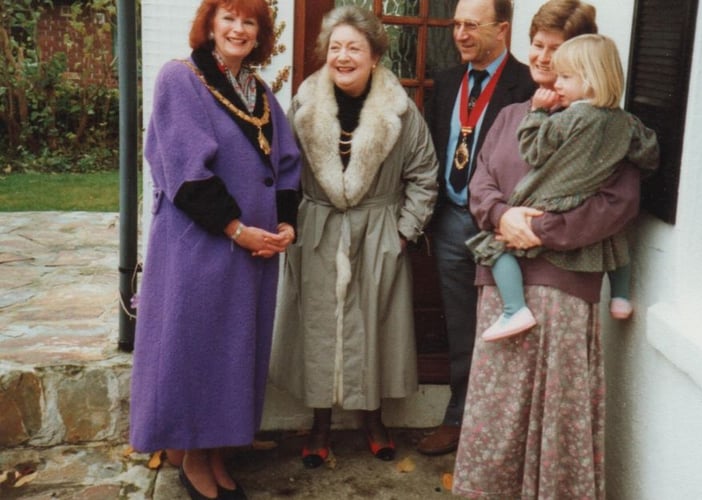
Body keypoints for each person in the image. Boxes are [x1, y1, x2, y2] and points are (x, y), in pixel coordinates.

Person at [452, 0, 642, 497]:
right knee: (498, 413)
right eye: (537, 45)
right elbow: (481, 185)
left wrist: (539, 232)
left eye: (555, 49)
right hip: (503, 287)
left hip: (564, 286)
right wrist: (501, 217)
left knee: (556, 415)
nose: (542, 58)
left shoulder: (602, 125)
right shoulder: (513, 114)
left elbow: (616, 205)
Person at [129, 0, 301, 498]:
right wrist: (236, 228)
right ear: (209, 24)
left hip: (253, 254)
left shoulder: (261, 92)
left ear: (261, 34)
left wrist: (285, 224)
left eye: (250, 21)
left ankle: (218, 455)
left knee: (234, 355)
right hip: (200, 248)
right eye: (228, 17)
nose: (239, 28)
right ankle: (193, 463)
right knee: (198, 352)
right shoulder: (180, 79)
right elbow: (187, 173)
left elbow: (286, 164)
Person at [269, 6, 438, 468]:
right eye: (336, 47)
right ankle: (319, 423)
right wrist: (291, 224)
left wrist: (403, 232)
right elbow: (283, 171)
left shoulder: (400, 110)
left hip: (378, 231)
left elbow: (424, 174)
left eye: (354, 48)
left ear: (375, 55)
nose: (343, 57)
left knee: (375, 324)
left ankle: (373, 419)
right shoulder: (303, 107)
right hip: (317, 230)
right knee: (319, 323)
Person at [466, 33, 659, 341]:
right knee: (619, 246)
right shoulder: (626, 124)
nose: (547, 63)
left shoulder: (567, 120)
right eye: (537, 46)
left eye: (563, 70)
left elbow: (533, 150)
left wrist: (538, 115)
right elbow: (649, 152)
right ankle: (620, 296)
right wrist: (500, 214)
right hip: (516, 251)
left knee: (493, 247)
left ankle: (514, 311)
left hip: (562, 280)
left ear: (591, 77)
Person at [419, 0, 536, 456]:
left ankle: (500, 429)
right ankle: (459, 418)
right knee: (461, 324)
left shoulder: (527, 84)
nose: (460, 34)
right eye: (456, 25)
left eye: (472, 25)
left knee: (508, 324)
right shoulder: (447, 82)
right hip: (450, 220)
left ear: (502, 29)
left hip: (502, 225)